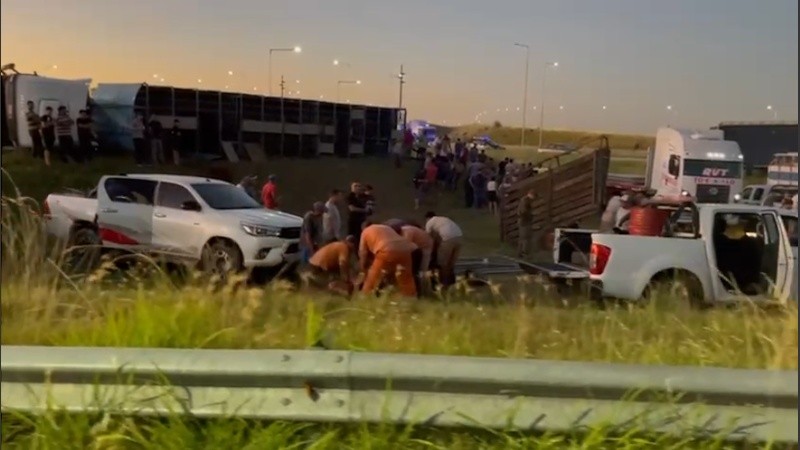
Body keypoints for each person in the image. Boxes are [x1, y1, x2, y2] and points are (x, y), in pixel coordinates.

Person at [359, 223, 417, 297]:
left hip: (386, 249)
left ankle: (366, 298)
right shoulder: (386, 227)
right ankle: (410, 298)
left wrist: (362, 268)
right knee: (406, 279)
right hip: (405, 249)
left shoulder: (365, 231)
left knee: (374, 279)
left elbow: (363, 253)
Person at [424, 212, 463, 287]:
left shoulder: (430, 222)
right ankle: (453, 284)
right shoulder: (443, 219)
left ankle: (444, 284)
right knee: (451, 264)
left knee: (442, 263)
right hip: (459, 237)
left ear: (427, 218)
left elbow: (428, 238)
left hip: (448, 238)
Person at [401, 223, 434, 296]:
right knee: (419, 271)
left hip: (425, 247)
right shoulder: (406, 229)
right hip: (419, 247)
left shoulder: (407, 232)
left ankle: (424, 292)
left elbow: (406, 247)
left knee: (422, 271)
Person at [517, 189, 535, 258]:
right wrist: (531, 214)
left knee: (522, 238)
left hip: (523, 221)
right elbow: (523, 211)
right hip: (524, 221)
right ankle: (524, 253)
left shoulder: (525, 200)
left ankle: (520, 253)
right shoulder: (525, 201)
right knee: (526, 238)